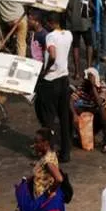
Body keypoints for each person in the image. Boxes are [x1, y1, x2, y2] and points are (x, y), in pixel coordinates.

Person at [39, 11, 73, 162]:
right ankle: (66, 152)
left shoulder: (50, 36)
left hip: (51, 80)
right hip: (63, 78)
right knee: (64, 117)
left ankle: (50, 152)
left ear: (50, 23)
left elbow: (52, 55)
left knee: (48, 118)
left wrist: (45, 70)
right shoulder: (68, 35)